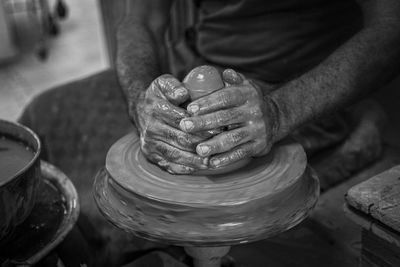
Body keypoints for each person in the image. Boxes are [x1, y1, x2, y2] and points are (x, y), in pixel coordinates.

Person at [19, 0, 400, 266]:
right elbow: (141, 20)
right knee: (42, 115)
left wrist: (280, 111)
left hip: (293, 87)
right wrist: (141, 99)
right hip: (190, 66)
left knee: (141, 221)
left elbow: (391, 28)